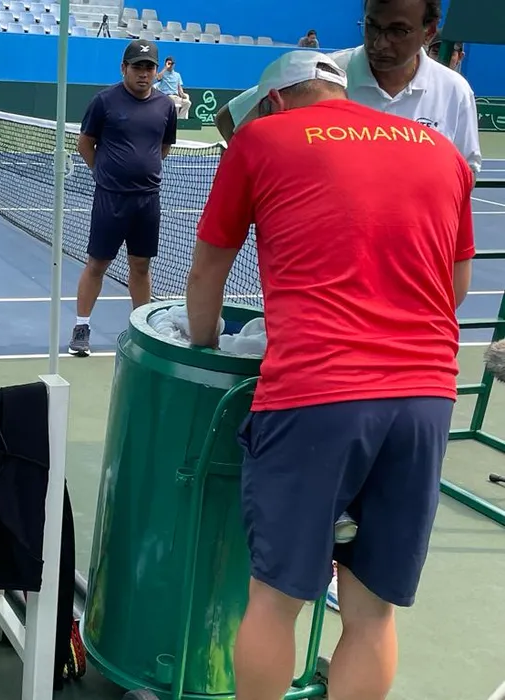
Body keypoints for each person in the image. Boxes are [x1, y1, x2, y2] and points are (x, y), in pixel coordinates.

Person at [185, 50, 474, 700]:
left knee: (274, 599)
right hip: (426, 396)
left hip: (315, 391)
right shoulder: (440, 150)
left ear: (274, 101)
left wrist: (204, 345)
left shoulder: (259, 139)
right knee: (372, 613)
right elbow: (454, 289)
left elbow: (206, 273)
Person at [217, 0, 481, 182]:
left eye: (398, 31)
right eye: (372, 26)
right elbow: (229, 118)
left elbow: (465, 172)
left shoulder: (455, 91)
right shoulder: (322, 73)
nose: (380, 43)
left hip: (412, 244)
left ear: (429, 31)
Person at [69, 39, 177, 357]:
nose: (144, 73)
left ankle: (141, 331)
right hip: (110, 199)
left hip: (147, 200)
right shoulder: (104, 101)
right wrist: (104, 174)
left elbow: (163, 147)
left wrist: (142, 170)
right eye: (137, 67)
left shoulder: (166, 106)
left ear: (155, 71)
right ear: (124, 68)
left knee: (141, 265)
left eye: (149, 68)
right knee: (97, 263)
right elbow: (85, 143)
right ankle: (81, 327)